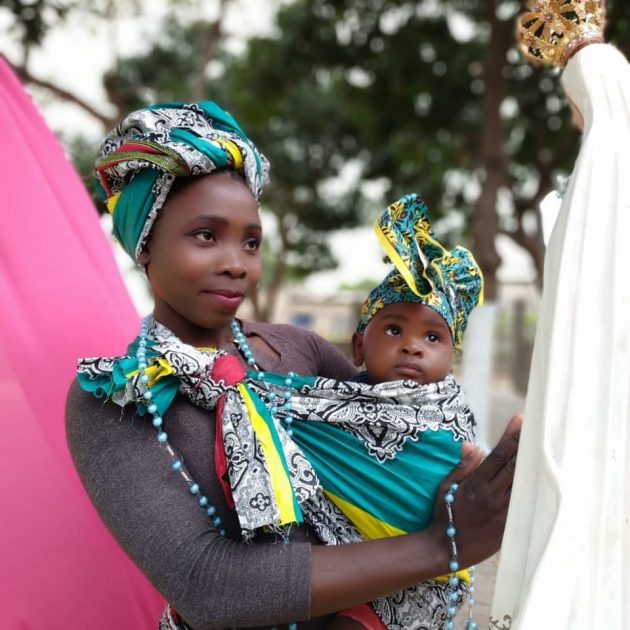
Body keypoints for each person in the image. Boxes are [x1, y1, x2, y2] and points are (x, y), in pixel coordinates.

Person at [66, 100, 521, 630]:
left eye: (251, 241)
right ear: (144, 245)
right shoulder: (116, 399)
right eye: (206, 236)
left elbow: (398, 444)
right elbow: (207, 586)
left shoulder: (295, 350)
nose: (236, 263)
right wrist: (447, 544)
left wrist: (458, 487)